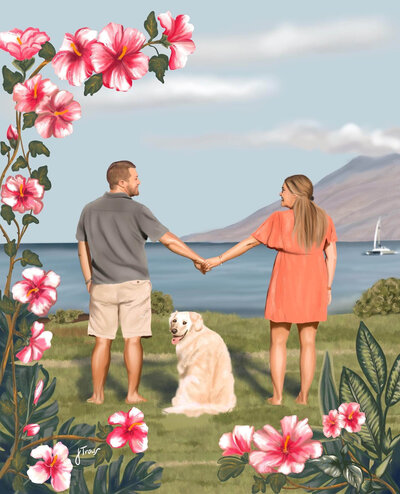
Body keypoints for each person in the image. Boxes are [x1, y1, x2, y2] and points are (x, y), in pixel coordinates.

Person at [76, 160, 206, 405]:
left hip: (101, 285)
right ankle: (132, 394)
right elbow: (168, 240)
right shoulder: (138, 210)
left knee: (101, 340)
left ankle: (97, 396)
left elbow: (83, 249)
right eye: (136, 178)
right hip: (134, 285)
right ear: (122, 182)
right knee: (132, 340)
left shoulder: (89, 209)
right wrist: (197, 258)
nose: (139, 181)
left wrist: (89, 281)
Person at [204, 174, 337, 406]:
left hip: (285, 280)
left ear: (295, 194)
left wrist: (219, 259)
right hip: (314, 281)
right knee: (308, 342)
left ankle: (276, 397)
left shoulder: (279, 219)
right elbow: (332, 255)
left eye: (284, 189)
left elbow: (250, 242)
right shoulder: (324, 218)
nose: (280, 193)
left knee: (278, 342)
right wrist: (327, 287)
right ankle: (303, 398)